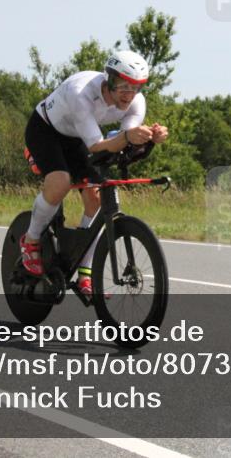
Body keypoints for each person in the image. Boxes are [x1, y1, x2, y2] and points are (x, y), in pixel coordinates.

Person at [21, 49, 168, 296]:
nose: (129, 94)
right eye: (123, 85)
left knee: (97, 198)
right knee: (60, 182)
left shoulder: (136, 102)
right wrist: (127, 137)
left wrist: (149, 139)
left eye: (136, 87)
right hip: (45, 129)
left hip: (78, 135)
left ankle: (85, 271)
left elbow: (123, 143)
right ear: (108, 79)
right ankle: (31, 240)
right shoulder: (81, 93)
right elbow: (97, 146)